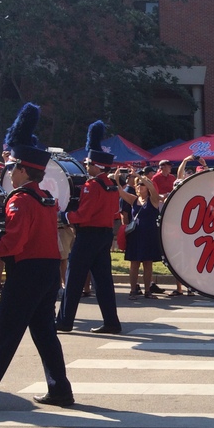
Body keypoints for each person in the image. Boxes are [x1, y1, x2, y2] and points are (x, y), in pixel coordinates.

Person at [0, 103, 74, 408]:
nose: (9, 172)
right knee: (45, 333)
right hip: (46, 272)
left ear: (21, 169)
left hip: (27, 273)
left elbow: (13, 245)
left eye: (11, 168)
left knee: (5, 335)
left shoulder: (20, 199)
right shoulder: (45, 197)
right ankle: (59, 389)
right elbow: (31, 235)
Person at [56, 120, 122, 334]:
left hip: (88, 236)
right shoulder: (112, 185)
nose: (86, 166)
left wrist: (64, 215)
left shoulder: (92, 186)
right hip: (103, 235)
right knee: (103, 282)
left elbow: (83, 214)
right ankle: (112, 322)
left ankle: (65, 321)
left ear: (95, 165)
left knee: (74, 279)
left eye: (88, 164)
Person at [116, 170, 162, 299]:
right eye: (138, 184)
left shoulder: (153, 199)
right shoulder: (134, 200)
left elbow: (152, 188)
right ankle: (133, 290)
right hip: (135, 235)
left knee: (148, 263)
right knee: (134, 263)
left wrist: (139, 176)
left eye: (142, 184)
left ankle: (148, 291)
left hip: (149, 235)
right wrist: (117, 179)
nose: (140, 186)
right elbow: (120, 192)